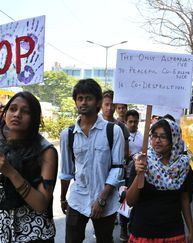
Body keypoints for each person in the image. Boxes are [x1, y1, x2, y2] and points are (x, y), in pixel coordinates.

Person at [0, 91, 58, 242]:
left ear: (34, 118)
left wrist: (10, 172)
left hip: (35, 235)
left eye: (25, 111)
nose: (17, 114)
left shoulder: (45, 152)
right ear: (5, 112)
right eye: (12, 109)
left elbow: (41, 205)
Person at [59, 78, 124, 243]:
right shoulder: (67, 134)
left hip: (106, 202)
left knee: (104, 240)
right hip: (77, 198)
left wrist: (101, 199)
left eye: (88, 98)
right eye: (79, 98)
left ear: (98, 102)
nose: (83, 102)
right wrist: (62, 198)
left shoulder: (113, 131)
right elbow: (66, 171)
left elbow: (117, 168)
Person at [126, 119, 193, 243]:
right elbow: (130, 201)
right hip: (143, 232)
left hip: (173, 233)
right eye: (154, 136)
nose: (157, 140)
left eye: (163, 137)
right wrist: (139, 174)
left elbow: (184, 199)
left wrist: (191, 231)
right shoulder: (141, 161)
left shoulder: (183, 166)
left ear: (174, 139)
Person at [119, 109, 144, 241]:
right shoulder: (120, 136)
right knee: (124, 202)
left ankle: (131, 227)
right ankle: (123, 227)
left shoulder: (143, 138)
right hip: (123, 176)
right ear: (125, 122)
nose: (133, 124)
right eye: (130, 122)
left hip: (135, 177)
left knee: (135, 203)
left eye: (135, 121)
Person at [101, 90, 130, 162]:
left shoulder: (122, 127)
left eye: (113, 105)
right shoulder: (93, 125)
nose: (109, 108)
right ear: (100, 105)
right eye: (106, 104)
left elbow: (125, 152)